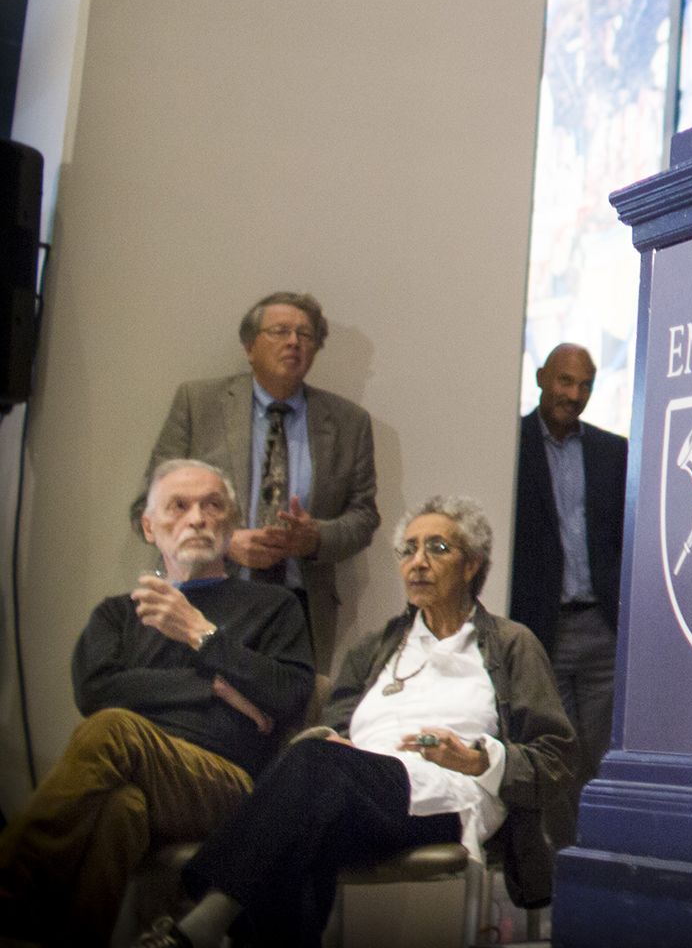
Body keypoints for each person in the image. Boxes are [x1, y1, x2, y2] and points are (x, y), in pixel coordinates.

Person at [137, 496, 573, 948]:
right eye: (408, 550)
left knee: (312, 775)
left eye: (437, 549)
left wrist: (476, 760)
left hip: (447, 797)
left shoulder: (510, 644)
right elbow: (335, 727)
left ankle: (198, 925)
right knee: (307, 826)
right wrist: (332, 738)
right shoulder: (378, 646)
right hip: (353, 788)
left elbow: (556, 759)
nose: (418, 562)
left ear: (471, 566)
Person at [0, 461, 314, 945]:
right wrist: (208, 688)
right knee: (119, 810)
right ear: (150, 527)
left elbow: (289, 695)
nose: (197, 518)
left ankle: (9, 885)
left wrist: (199, 633)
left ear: (230, 525)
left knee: (114, 730)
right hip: (131, 778)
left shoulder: (275, 607)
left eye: (213, 506)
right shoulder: (118, 613)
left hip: (225, 783)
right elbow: (95, 690)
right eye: (179, 506)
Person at [147, 291, 380, 661]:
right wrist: (224, 542)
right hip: (204, 591)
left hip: (299, 606)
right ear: (250, 346)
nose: (293, 342)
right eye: (280, 331)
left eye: (305, 335)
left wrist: (315, 538)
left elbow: (364, 517)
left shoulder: (349, 422)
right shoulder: (198, 404)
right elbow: (149, 506)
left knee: (290, 711)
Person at [506, 341, 628, 846]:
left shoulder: (612, 451)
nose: (573, 395)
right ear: (540, 378)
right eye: (564, 381)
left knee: (603, 755)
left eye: (584, 385)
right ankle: (561, 870)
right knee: (555, 755)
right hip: (541, 627)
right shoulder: (510, 442)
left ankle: (600, 858)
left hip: (602, 624)